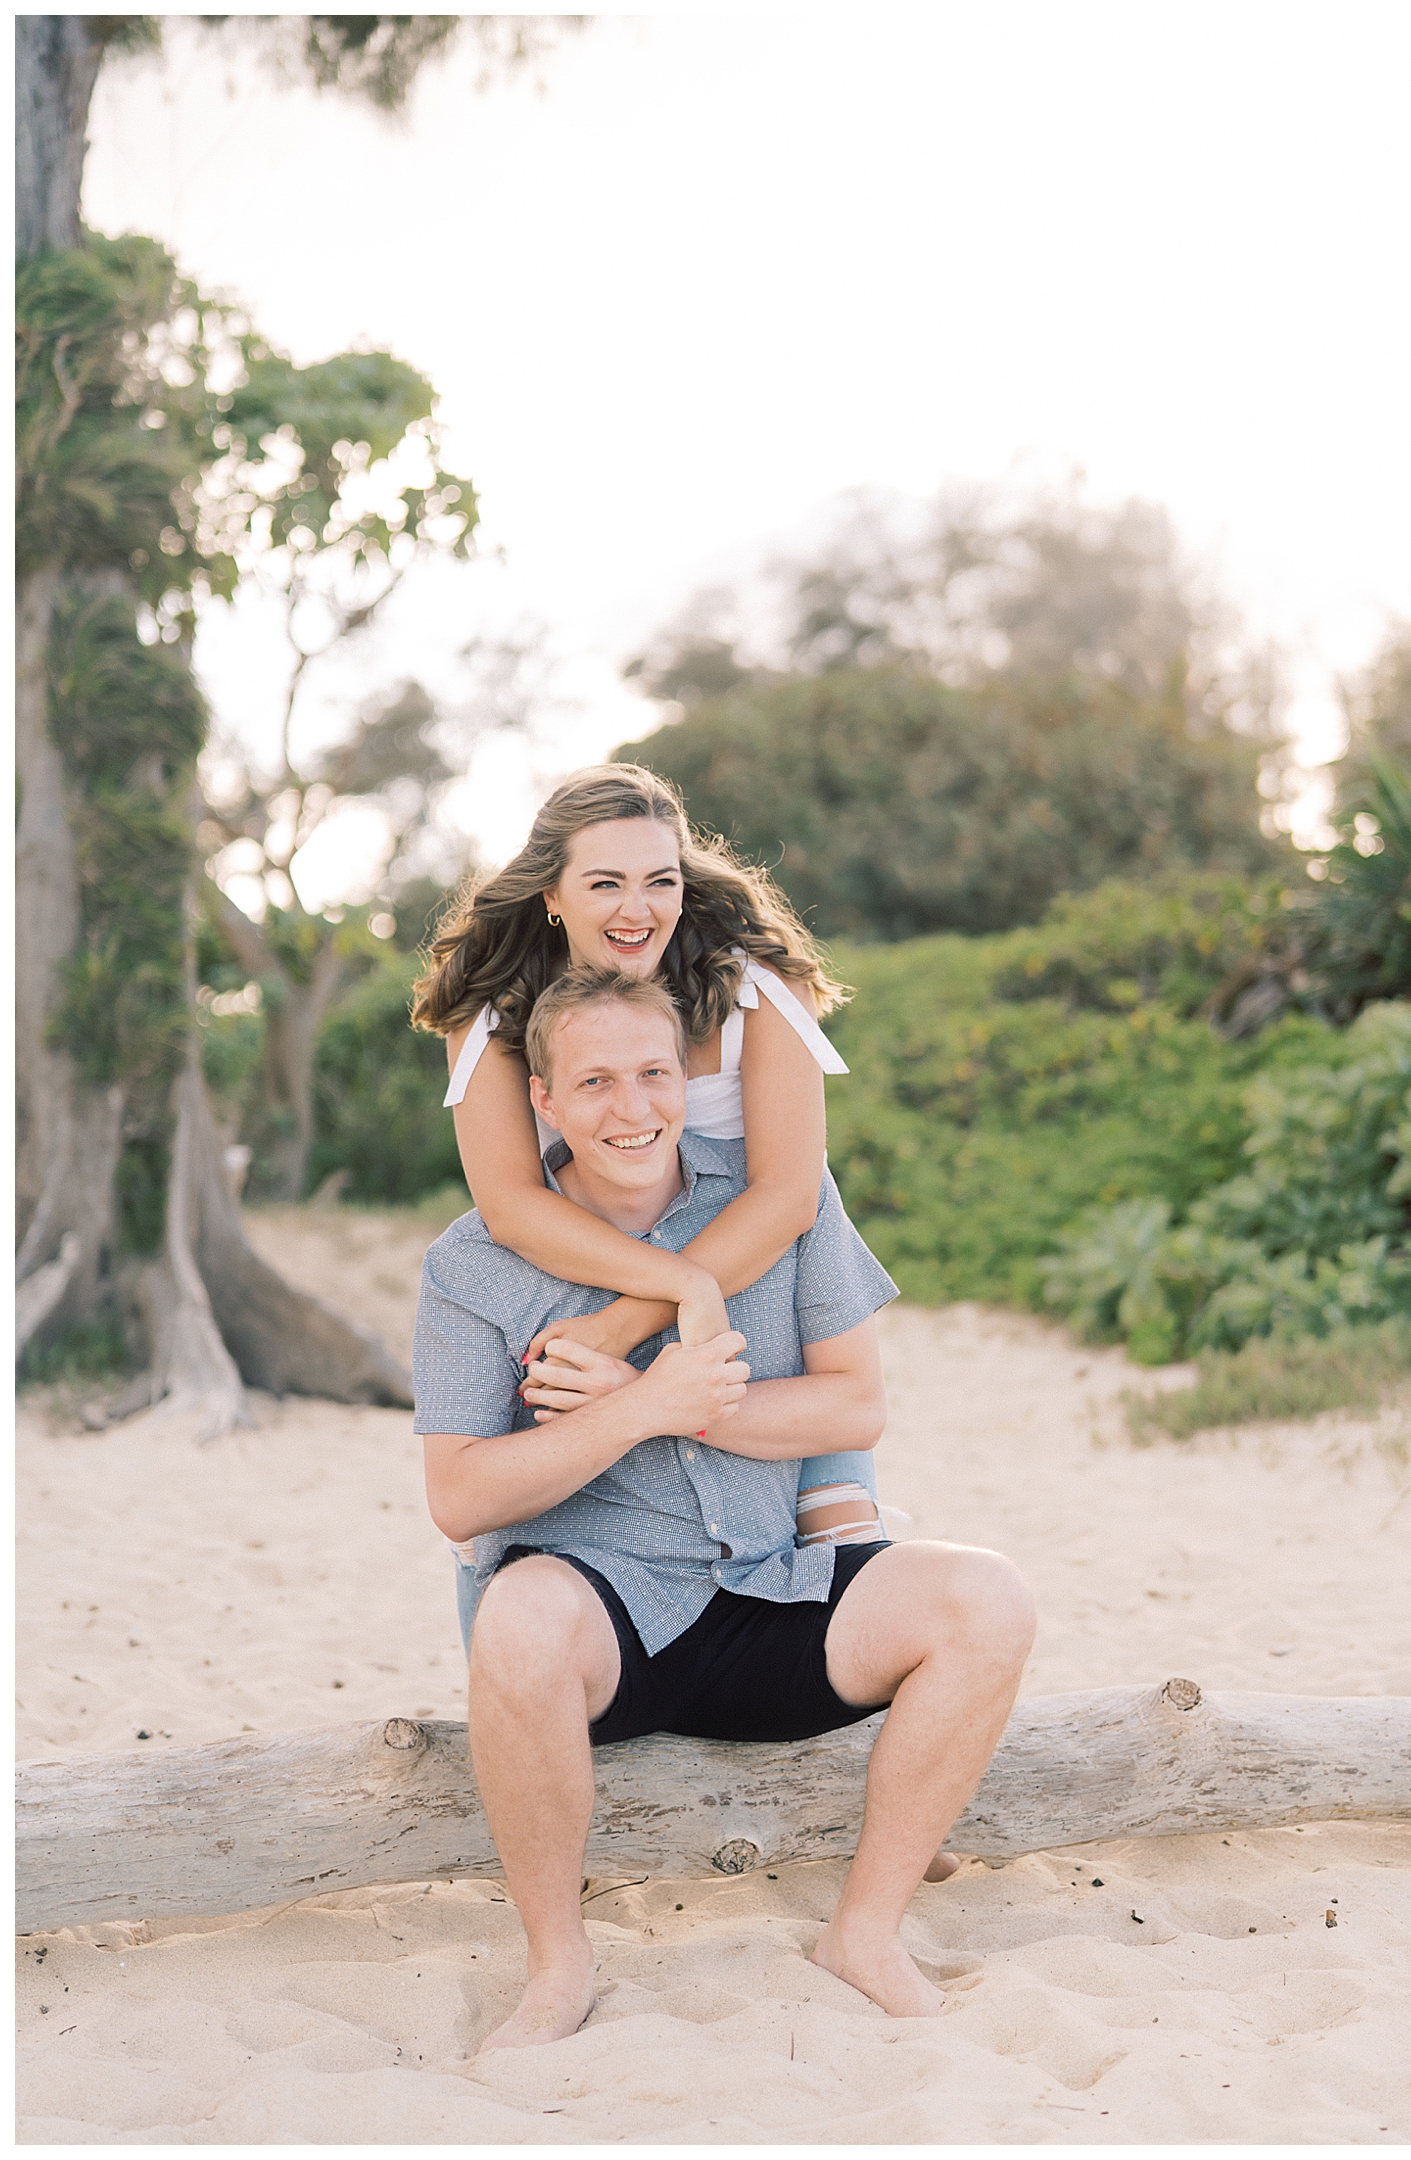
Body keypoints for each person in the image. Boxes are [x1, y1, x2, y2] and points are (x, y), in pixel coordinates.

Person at [414, 968, 1037, 2050]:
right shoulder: (471, 1264)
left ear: (688, 1080)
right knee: (518, 1618)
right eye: (596, 1082)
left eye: (654, 1074)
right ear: (546, 1102)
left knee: (985, 1597)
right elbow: (460, 1497)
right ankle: (558, 1967)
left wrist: (686, 1412)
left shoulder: (776, 1209)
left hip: (771, 1589)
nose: (632, 1107)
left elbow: (857, 1403)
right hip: (605, 1630)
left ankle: (866, 1933)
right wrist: (637, 1407)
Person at [410, 763, 881, 1552]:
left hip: (758, 1314)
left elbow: (791, 1193)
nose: (637, 910)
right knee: (516, 1543)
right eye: (604, 884)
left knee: (839, 1564)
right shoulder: (495, 1013)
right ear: (550, 896)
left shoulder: (758, 989)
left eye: (660, 881)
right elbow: (513, 1205)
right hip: (584, 1293)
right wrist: (664, 1295)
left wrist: (628, 1326)